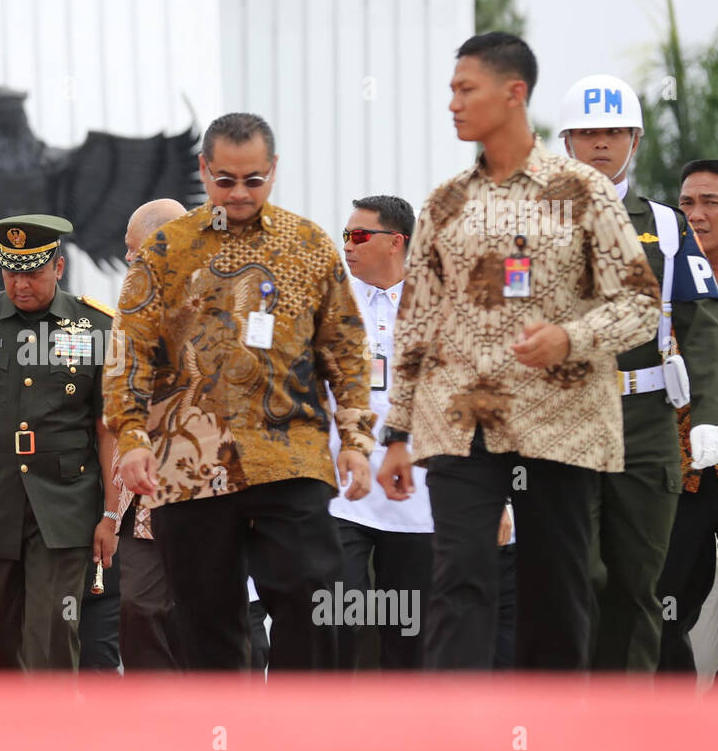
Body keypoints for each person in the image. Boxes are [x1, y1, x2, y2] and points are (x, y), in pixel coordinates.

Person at [377, 33, 661, 670]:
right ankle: (458, 746)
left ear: (514, 95)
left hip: (558, 425)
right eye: (451, 89)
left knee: (557, 587)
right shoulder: (444, 203)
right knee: (459, 582)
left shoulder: (585, 193)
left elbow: (641, 305)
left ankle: (550, 742)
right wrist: (395, 430)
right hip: (459, 424)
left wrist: (571, 337)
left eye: (465, 89)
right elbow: (415, 323)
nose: (452, 103)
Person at [106, 112, 375, 671]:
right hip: (191, 465)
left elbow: (345, 347)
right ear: (204, 171)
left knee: (310, 590)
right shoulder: (166, 252)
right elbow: (128, 351)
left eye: (253, 179)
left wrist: (354, 436)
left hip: (290, 456)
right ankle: (223, 742)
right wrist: (131, 436)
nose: (239, 193)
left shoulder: (307, 245)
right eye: (225, 179)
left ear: (273, 171)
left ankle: (297, 737)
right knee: (207, 620)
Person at [559, 76, 718, 671]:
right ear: (568, 141)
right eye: (589, 132)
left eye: (614, 132)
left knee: (637, 580)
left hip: (647, 423)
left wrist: (707, 416)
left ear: (635, 139)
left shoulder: (668, 226)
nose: (602, 144)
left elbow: (703, 327)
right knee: (582, 573)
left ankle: (626, 733)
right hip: (569, 419)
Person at [0, 215, 119, 671]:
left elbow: (107, 428)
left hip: (65, 506)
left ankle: (52, 740)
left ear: (58, 266)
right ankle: (1, 739)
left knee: (53, 631)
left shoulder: (95, 326)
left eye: (32, 272)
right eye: (11, 272)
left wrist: (111, 513)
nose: (20, 284)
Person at [330, 195, 434, 669]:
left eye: (358, 236)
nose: (346, 246)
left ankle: (404, 735)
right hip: (343, 494)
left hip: (417, 497)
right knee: (338, 619)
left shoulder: (438, 304)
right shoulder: (332, 302)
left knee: (409, 634)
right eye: (345, 235)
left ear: (396, 242)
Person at [110, 199, 187, 671]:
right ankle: (149, 716)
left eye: (132, 251)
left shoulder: (221, 298)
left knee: (205, 612)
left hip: (206, 488)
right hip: (140, 494)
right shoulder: (128, 307)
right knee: (138, 607)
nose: (126, 261)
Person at [659, 159, 718, 676]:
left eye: (711, 203)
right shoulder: (661, 279)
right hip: (684, 475)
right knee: (664, 603)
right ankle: (669, 736)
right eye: (686, 204)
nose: (696, 215)